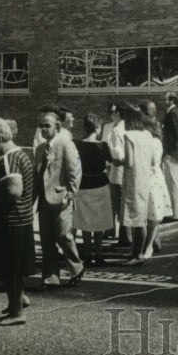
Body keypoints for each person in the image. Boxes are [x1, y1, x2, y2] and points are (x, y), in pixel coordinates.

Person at [0, 117, 36, 324]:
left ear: (0, 137)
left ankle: (16, 312)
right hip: (19, 220)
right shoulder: (19, 154)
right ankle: (18, 301)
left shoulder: (9, 158)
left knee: (7, 268)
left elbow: (14, 191)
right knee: (4, 266)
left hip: (11, 222)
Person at [32, 111, 84, 289]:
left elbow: (75, 169)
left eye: (47, 125)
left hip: (62, 198)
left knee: (63, 236)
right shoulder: (39, 149)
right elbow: (36, 176)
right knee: (46, 240)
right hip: (44, 202)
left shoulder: (65, 144)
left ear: (58, 127)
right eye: (41, 125)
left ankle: (76, 268)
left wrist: (71, 192)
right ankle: (51, 277)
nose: (44, 129)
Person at [115, 105, 159, 265]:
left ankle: (137, 254)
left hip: (133, 180)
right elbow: (154, 160)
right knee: (141, 217)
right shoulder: (147, 134)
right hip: (145, 179)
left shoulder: (128, 136)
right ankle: (136, 252)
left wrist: (117, 160)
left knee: (135, 219)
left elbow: (129, 162)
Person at [72, 113, 113, 265]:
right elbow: (109, 164)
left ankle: (88, 253)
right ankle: (99, 253)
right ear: (97, 127)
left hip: (83, 185)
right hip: (100, 185)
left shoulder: (77, 144)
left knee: (85, 222)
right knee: (99, 222)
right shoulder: (103, 145)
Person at [142, 113, 171, 258]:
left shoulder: (155, 142)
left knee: (153, 214)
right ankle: (153, 242)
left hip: (153, 179)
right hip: (145, 178)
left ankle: (149, 247)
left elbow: (153, 161)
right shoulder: (149, 141)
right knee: (147, 214)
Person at [101, 103, 127, 245]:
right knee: (109, 201)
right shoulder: (107, 127)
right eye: (110, 112)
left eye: (114, 112)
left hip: (118, 165)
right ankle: (110, 230)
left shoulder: (124, 128)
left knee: (119, 201)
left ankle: (124, 234)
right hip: (108, 165)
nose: (111, 114)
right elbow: (104, 145)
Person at [160, 93, 178, 222]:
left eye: (166, 99)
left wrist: (171, 152)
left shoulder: (173, 113)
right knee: (172, 183)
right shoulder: (172, 112)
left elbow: (176, 135)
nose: (164, 102)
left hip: (171, 154)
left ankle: (177, 213)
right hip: (171, 153)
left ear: (172, 100)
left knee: (173, 184)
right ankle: (176, 212)